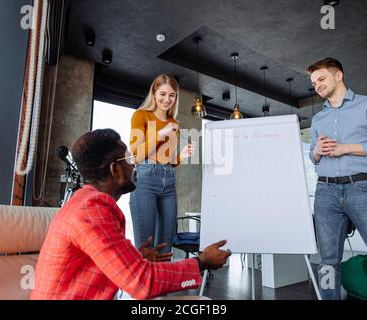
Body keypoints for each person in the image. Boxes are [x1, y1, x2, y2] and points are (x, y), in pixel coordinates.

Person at [31, 129, 231, 300]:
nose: (135, 164)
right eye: (128, 158)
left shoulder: (85, 203)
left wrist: (134, 258)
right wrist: (201, 262)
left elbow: (98, 264)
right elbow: (142, 283)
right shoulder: (92, 209)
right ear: (115, 169)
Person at [307, 57, 367, 300]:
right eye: (313, 82)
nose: (317, 85)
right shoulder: (318, 119)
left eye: (321, 78)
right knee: (328, 261)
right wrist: (317, 150)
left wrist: (346, 148)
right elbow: (313, 157)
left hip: (363, 189)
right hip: (325, 193)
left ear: (338, 76)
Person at [129, 74, 195, 253]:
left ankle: (163, 281)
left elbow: (168, 161)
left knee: (166, 246)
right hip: (145, 179)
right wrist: (160, 134)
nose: (167, 99)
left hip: (169, 180)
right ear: (154, 93)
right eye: (163, 94)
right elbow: (137, 155)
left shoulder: (173, 123)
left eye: (172, 95)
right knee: (147, 247)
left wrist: (181, 156)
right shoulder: (141, 115)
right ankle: (145, 282)